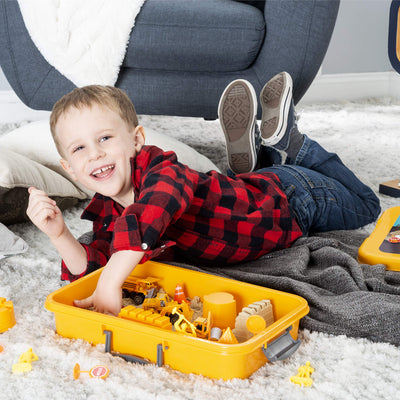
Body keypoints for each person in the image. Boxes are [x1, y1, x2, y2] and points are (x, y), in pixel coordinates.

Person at [26, 72, 380, 316]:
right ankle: (253, 162)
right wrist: (59, 235)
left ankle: (295, 145)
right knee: (237, 188)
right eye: (79, 149)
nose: (95, 154)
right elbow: (93, 267)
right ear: (69, 168)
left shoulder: (161, 171)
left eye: (105, 138)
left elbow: (155, 208)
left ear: (136, 140)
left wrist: (113, 281)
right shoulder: (107, 213)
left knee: (367, 206)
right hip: (251, 194)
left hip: (295, 199)